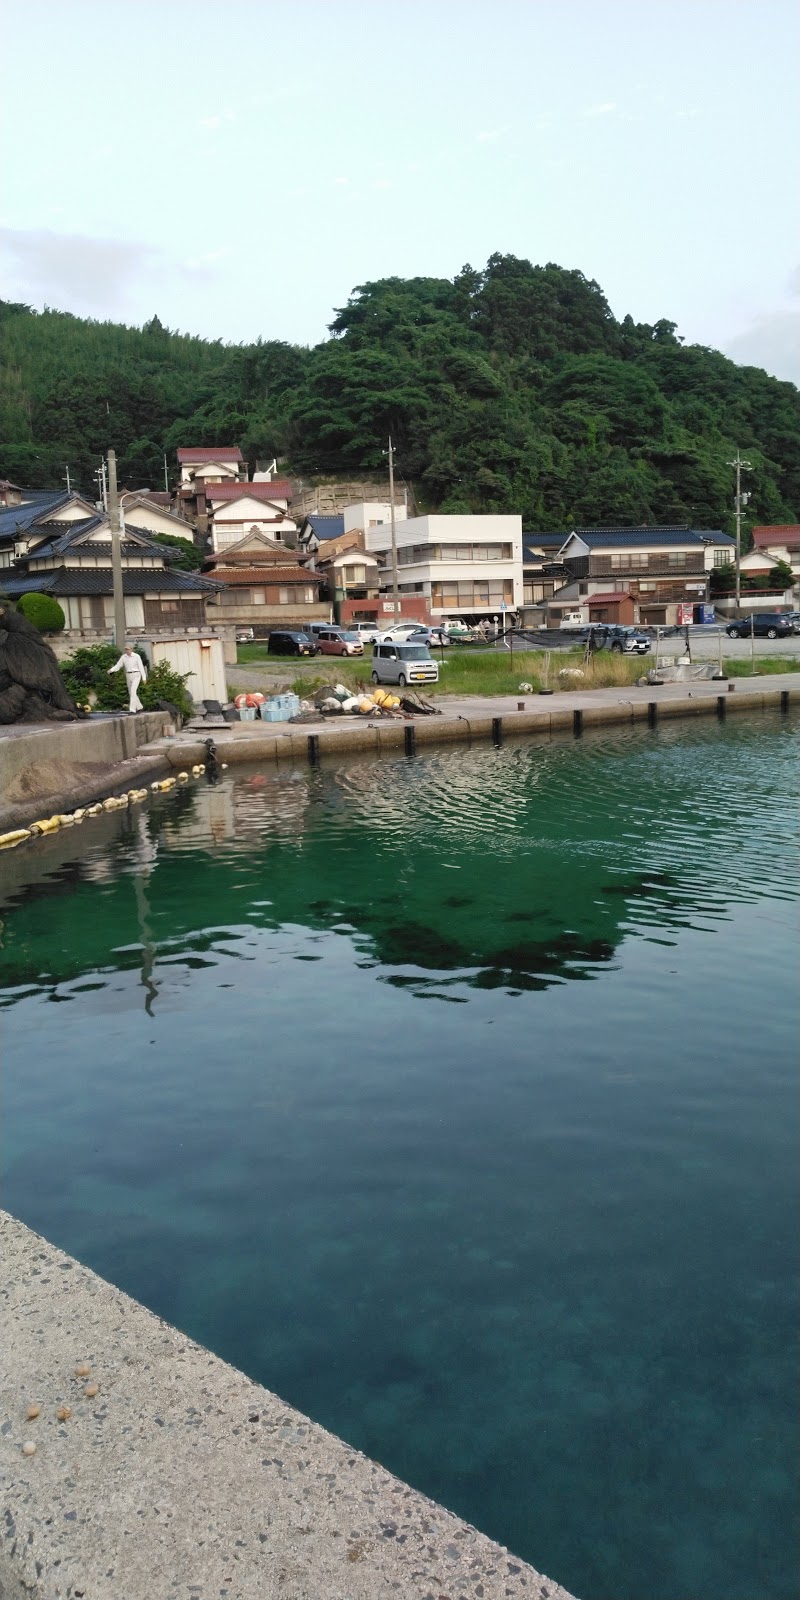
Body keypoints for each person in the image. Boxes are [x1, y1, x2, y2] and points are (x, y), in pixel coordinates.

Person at [108, 644, 147, 712]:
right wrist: (111, 670)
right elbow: (118, 665)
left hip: (136, 674)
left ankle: (132, 709)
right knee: (131, 692)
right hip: (128, 675)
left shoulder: (136, 656)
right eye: (126, 649)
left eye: (128, 649)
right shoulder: (124, 657)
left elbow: (141, 667)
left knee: (133, 691)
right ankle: (139, 707)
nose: (127, 651)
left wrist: (144, 678)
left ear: (131, 649)